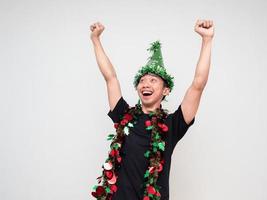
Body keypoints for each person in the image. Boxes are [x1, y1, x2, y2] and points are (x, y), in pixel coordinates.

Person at [90, 20, 214, 200]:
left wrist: (207, 40)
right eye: (142, 80)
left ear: (166, 90)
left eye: (153, 80)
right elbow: (110, 78)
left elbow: (198, 84)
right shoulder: (124, 116)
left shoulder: (172, 125)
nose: (145, 84)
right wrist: (96, 40)